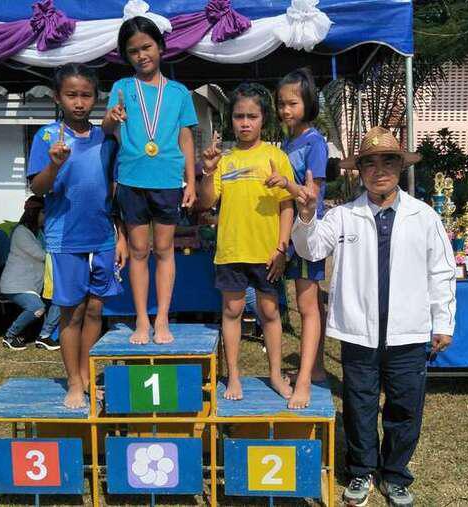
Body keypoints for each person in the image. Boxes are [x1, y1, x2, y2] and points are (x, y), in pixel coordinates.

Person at [291, 127, 457, 507]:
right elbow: (311, 249)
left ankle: (395, 474)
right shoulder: (343, 216)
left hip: (408, 332)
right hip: (359, 332)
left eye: (388, 161)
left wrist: (443, 322)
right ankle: (362, 471)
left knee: (405, 407)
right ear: (360, 171)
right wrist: (307, 215)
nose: (379, 170)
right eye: (369, 163)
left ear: (400, 167)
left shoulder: (424, 217)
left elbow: (442, 272)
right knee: (359, 405)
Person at [29, 63, 127, 409]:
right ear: (58, 97)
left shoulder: (106, 139)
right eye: (71, 95)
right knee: (71, 312)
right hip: (65, 239)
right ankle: (73, 381)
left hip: (102, 238)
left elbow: (114, 191)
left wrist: (120, 235)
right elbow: (38, 188)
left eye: (86, 95)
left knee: (96, 309)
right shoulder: (46, 137)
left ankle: (86, 375)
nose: (79, 102)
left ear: (96, 99)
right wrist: (54, 165)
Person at [197, 83, 297, 403]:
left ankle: (276, 375)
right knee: (232, 311)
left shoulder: (275, 157)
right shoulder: (224, 160)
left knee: (269, 311)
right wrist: (207, 172)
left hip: (267, 252)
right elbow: (205, 202)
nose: (244, 123)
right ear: (231, 120)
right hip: (231, 251)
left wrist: (281, 248)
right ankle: (234, 377)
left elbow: (287, 206)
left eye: (251, 116)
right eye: (239, 116)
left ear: (263, 119)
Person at [102, 16, 198, 345]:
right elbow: (107, 129)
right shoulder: (122, 88)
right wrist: (110, 118)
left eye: (147, 47)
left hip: (168, 180)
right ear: (126, 56)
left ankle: (163, 317)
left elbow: (186, 137)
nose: (142, 55)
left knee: (165, 249)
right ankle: (141, 318)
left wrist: (191, 181)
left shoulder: (179, 92)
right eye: (133, 51)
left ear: (160, 47)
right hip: (131, 178)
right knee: (139, 250)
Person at [267, 67, 330, 409]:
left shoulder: (315, 142)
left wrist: (286, 184)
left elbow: (311, 195)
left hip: (307, 233)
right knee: (311, 305)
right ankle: (315, 368)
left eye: (292, 103)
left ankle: (304, 381)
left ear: (308, 103)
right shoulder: (289, 141)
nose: (285, 109)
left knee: (307, 307)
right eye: (281, 103)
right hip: (290, 232)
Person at [0, 196, 61, 351]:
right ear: (34, 213)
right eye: (44, 213)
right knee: (36, 308)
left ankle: (44, 336)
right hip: (16, 286)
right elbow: (41, 255)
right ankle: (10, 336)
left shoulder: (39, 232)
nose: (46, 217)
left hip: (34, 286)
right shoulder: (21, 232)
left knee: (61, 299)